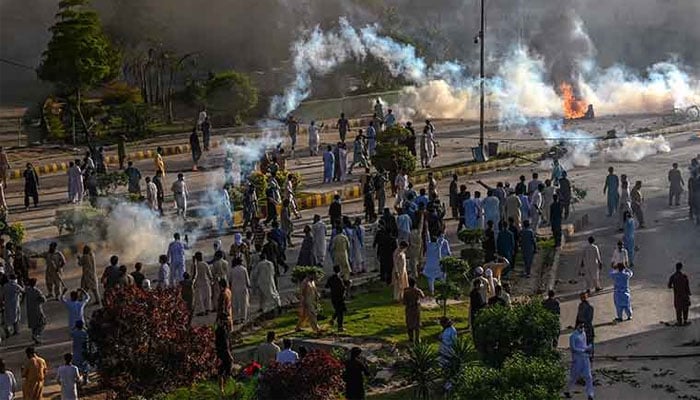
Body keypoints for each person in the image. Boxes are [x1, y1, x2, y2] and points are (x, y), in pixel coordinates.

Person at [564, 323, 594, 400]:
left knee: (588, 376)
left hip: (585, 357)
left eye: (583, 327)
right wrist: (583, 350)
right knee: (574, 376)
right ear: (577, 326)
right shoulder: (573, 336)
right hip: (577, 359)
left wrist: (588, 348)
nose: (582, 328)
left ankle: (590, 394)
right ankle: (567, 390)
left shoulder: (583, 333)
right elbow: (573, 348)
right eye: (581, 327)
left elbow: (584, 344)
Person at [668, 262, 691, 326]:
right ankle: (685, 321)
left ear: (676, 268)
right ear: (681, 267)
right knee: (685, 307)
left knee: (678, 308)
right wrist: (688, 293)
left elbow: (669, 286)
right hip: (685, 295)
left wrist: (674, 287)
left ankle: (679, 321)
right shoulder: (684, 276)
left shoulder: (673, 276)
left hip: (677, 295)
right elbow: (687, 286)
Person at [25, 279, 47, 344]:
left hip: (29, 310)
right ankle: (36, 335)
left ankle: (35, 338)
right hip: (37, 309)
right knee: (42, 322)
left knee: (33, 324)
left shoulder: (27, 290)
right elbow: (44, 300)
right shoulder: (37, 291)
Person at [326, 265, 347, 332]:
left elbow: (327, 286)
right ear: (339, 270)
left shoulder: (331, 278)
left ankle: (332, 320)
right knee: (340, 312)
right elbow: (342, 288)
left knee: (337, 310)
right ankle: (340, 327)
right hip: (339, 298)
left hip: (333, 297)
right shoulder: (339, 279)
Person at [575, 292, 595, 360]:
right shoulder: (582, 305)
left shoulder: (589, 306)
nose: (582, 299)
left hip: (586, 327)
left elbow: (589, 318)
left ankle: (589, 356)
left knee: (587, 342)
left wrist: (580, 324)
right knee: (585, 342)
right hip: (584, 326)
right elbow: (578, 317)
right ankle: (588, 355)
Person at [229, 260, 250, 324]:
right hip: (243, 288)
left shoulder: (232, 270)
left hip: (234, 289)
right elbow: (247, 280)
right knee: (243, 304)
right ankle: (243, 317)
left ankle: (236, 318)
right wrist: (249, 286)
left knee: (235, 304)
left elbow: (230, 280)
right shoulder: (244, 269)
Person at [192, 252, 213, 316]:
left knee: (199, 297)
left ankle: (201, 310)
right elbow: (209, 273)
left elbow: (193, 274)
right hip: (206, 282)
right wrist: (211, 279)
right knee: (207, 296)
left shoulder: (195, 265)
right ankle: (207, 309)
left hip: (198, 283)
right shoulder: (205, 264)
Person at [215, 324, 233, 394]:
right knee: (228, 371)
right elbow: (226, 347)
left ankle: (221, 389)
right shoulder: (224, 335)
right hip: (225, 354)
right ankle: (225, 386)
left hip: (220, 354)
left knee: (220, 371)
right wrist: (230, 356)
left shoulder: (217, 336)